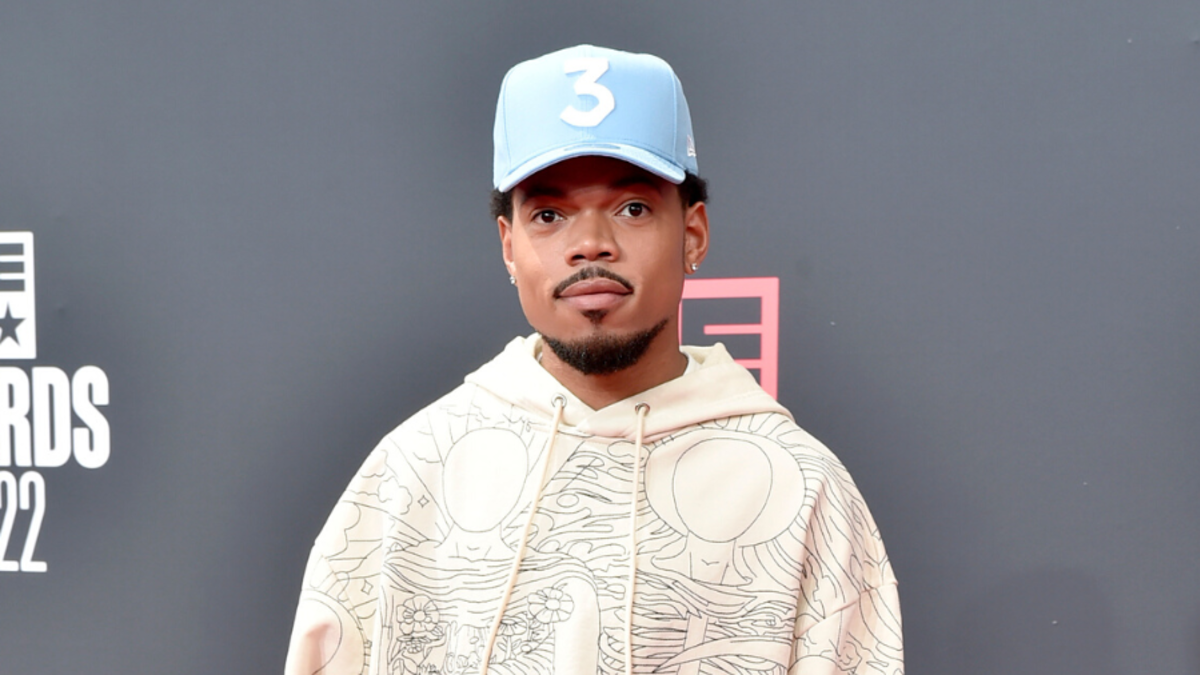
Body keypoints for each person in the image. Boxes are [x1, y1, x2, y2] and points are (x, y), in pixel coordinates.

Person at [284, 44, 902, 675]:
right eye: (549, 214)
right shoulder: (410, 473)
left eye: (632, 208)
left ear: (692, 234)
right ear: (509, 245)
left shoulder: (801, 489)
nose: (589, 244)